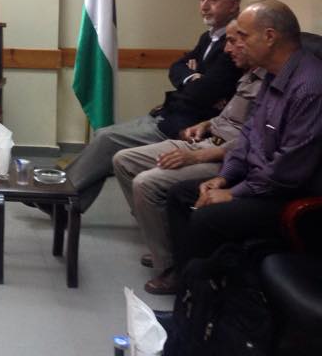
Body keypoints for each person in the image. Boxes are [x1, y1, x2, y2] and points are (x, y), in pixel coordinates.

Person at [166, 0, 322, 274]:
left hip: (286, 195)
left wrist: (233, 193)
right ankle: (187, 285)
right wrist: (225, 177)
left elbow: (287, 170)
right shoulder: (274, 75)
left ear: (270, 37)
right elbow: (249, 133)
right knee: (180, 194)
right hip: (257, 181)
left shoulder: (309, 87)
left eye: (244, 36)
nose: (236, 45)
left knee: (207, 217)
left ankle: (205, 291)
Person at [64, 0, 244, 213]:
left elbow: (203, 93)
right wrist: (192, 76)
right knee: (103, 135)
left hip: (186, 126)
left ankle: (62, 198)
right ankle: (67, 200)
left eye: (213, 0)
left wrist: (192, 78)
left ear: (233, 5)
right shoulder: (208, 37)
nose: (204, 6)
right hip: (169, 113)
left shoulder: (234, 47)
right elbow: (176, 67)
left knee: (107, 140)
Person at [112, 19, 264, 294]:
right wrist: (206, 124)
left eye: (236, 40)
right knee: (124, 160)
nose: (228, 49)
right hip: (206, 139)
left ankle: (173, 266)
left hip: (223, 158)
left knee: (146, 183)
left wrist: (197, 156)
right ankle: (166, 245)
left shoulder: (273, 82)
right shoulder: (250, 73)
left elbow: (253, 140)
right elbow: (228, 115)